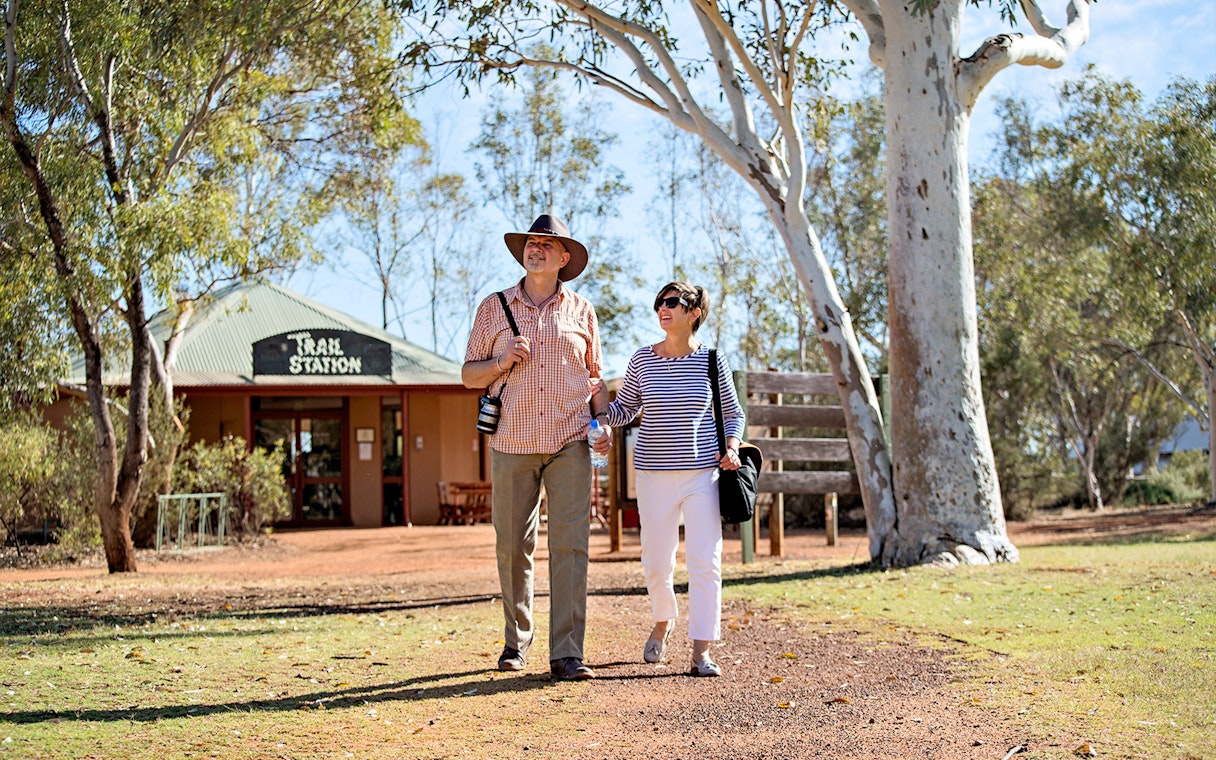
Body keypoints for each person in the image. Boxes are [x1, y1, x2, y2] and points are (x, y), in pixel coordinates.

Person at [463, 213, 611, 682]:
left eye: (548, 243)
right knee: (512, 546)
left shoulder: (583, 311)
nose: (537, 248)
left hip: (570, 443)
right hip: (512, 442)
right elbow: (468, 375)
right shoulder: (494, 307)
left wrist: (602, 421)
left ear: (564, 257)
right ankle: (515, 641)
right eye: (531, 241)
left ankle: (567, 653)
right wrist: (500, 361)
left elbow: (595, 379)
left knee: (571, 547)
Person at [604, 282, 744, 678]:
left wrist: (731, 446)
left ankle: (702, 649)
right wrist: (598, 410)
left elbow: (733, 414)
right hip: (652, 474)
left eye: (672, 303)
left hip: (703, 474)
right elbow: (624, 410)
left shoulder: (713, 361)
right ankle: (663, 621)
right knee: (655, 561)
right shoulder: (642, 361)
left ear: (693, 313)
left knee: (705, 561)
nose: (662, 309)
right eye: (659, 304)